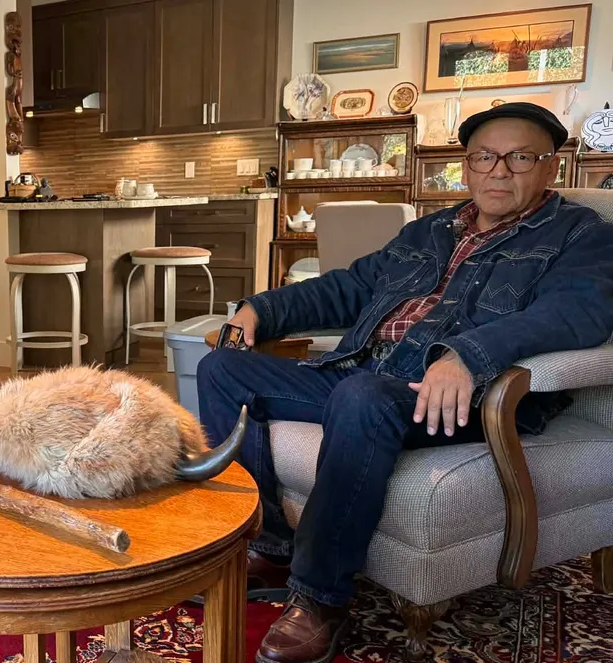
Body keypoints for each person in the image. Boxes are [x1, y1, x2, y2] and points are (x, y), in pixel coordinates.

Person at [197, 102, 613, 663]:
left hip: (466, 397)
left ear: (549, 168)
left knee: (362, 396)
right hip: (365, 376)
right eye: (485, 157)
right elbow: (345, 288)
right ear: (466, 166)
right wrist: (258, 310)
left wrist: (468, 354)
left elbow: (577, 314)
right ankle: (272, 544)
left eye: (519, 158)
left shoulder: (579, 232)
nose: (499, 171)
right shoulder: (429, 231)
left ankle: (319, 599)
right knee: (222, 368)